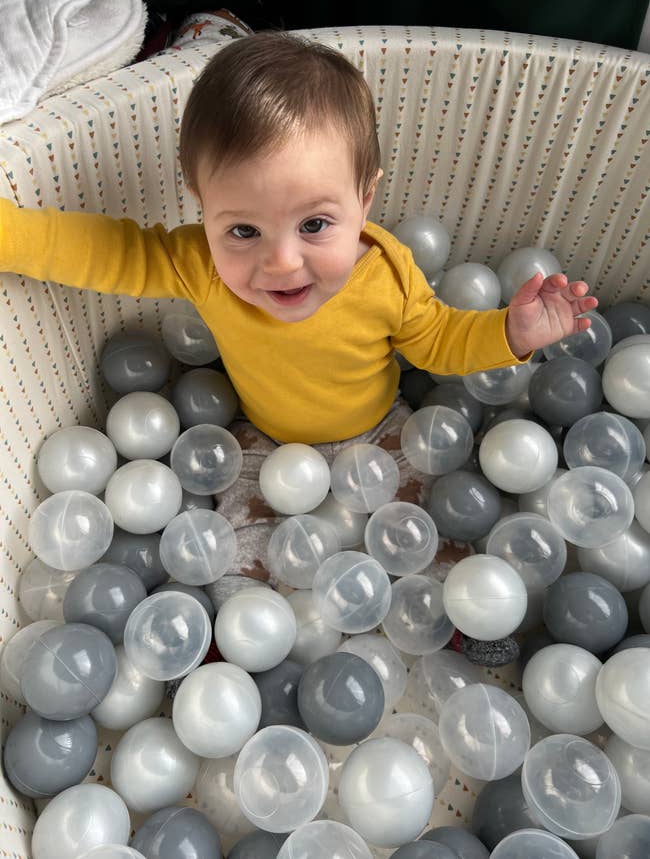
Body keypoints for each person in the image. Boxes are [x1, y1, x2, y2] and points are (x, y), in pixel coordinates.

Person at [0, 31, 597, 600]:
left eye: (314, 225)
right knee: (237, 551)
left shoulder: (385, 274)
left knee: (432, 528)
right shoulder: (200, 264)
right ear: (202, 210)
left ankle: (461, 620)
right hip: (263, 440)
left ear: (364, 198)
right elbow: (107, 252)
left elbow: (438, 339)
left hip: (381, 432)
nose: (281, 263)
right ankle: (230, 656)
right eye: (242, 230)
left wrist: (512, 332)